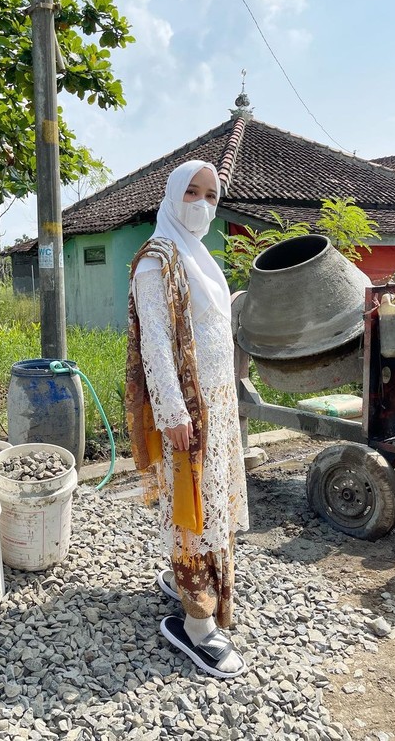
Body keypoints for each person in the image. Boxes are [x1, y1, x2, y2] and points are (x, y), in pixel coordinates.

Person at [125, 160, 249, 679]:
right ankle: (196, 626)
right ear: (174, 196)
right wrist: (173, 412)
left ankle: (195, 581)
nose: (202, 204)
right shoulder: (156, 261)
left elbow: (216, 330)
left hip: (218, 406)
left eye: (212, 196)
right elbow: (155, 342)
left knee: (213, 501)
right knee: (192, 507)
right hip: (187, 414)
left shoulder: (200, 258)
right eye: (192, 193)